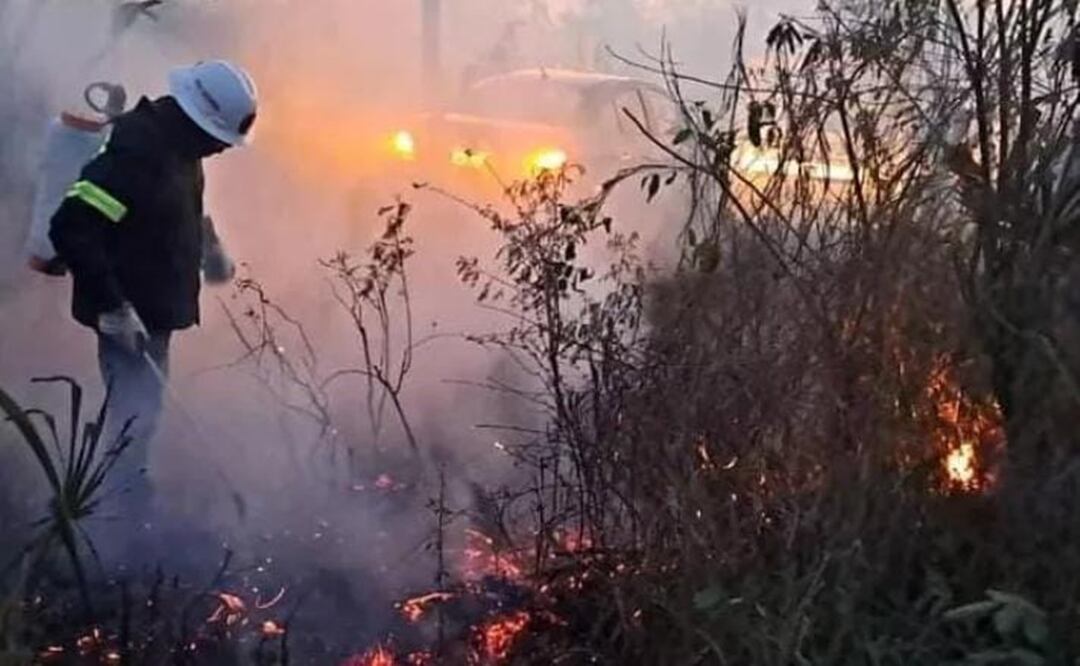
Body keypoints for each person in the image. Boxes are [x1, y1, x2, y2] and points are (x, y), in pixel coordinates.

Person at [49, 60, 257, 559]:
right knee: (134, 414)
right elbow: (73, 225)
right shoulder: (135, 152)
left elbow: (173, 207)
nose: (222, 147)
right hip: (128, 312)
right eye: (217, 136)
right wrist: (111, 307)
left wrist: (208, 246)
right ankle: (115, 523)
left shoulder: (179, 147)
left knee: (144, 410)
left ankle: (125, 503)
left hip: (154, 309)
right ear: (193, 117)